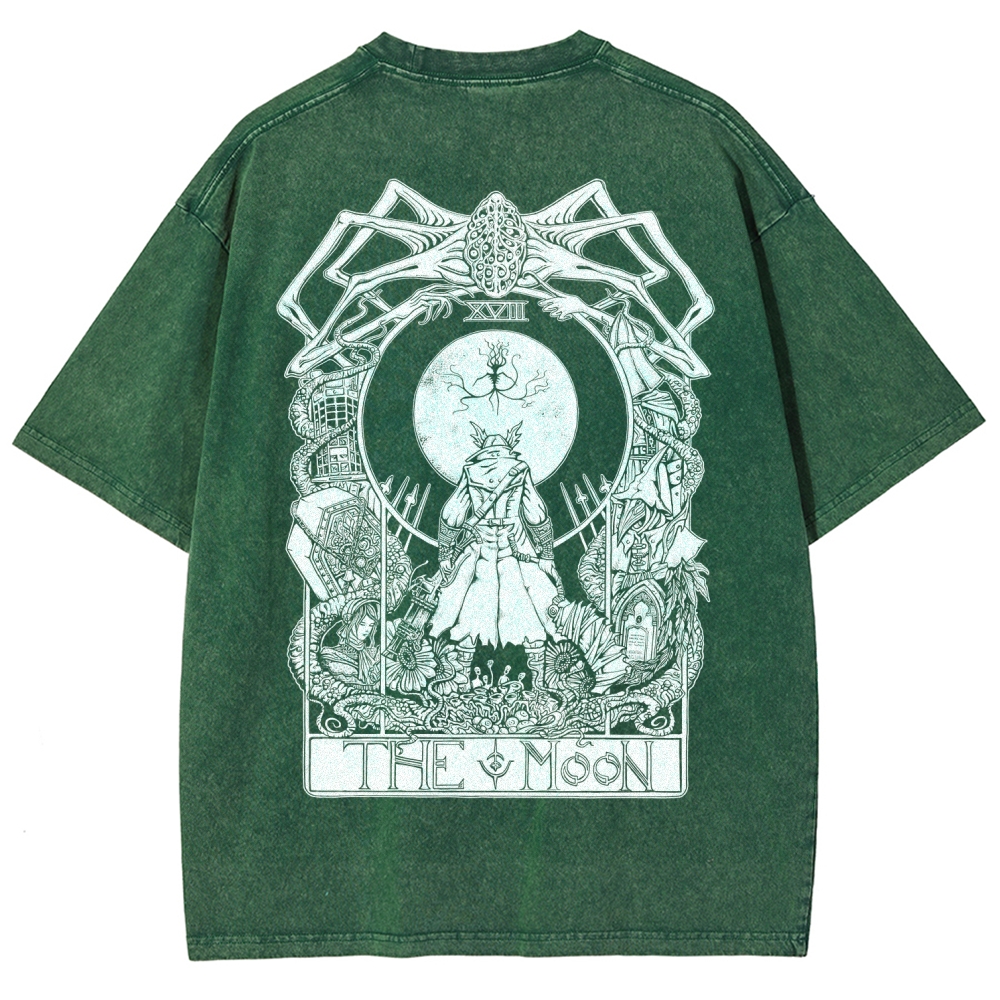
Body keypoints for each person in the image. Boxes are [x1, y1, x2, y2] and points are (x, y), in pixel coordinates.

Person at [429, 422, 561, 680]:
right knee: (533, 609)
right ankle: (540, 681)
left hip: (480, 545)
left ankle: (460, 679)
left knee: (468, 608)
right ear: (507, 449)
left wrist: (445, 554)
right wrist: (546, 554)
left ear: (482, 450)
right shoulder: (520, 469)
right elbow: (535, 512)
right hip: (516, 543)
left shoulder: (471, 471)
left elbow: (453, 512)